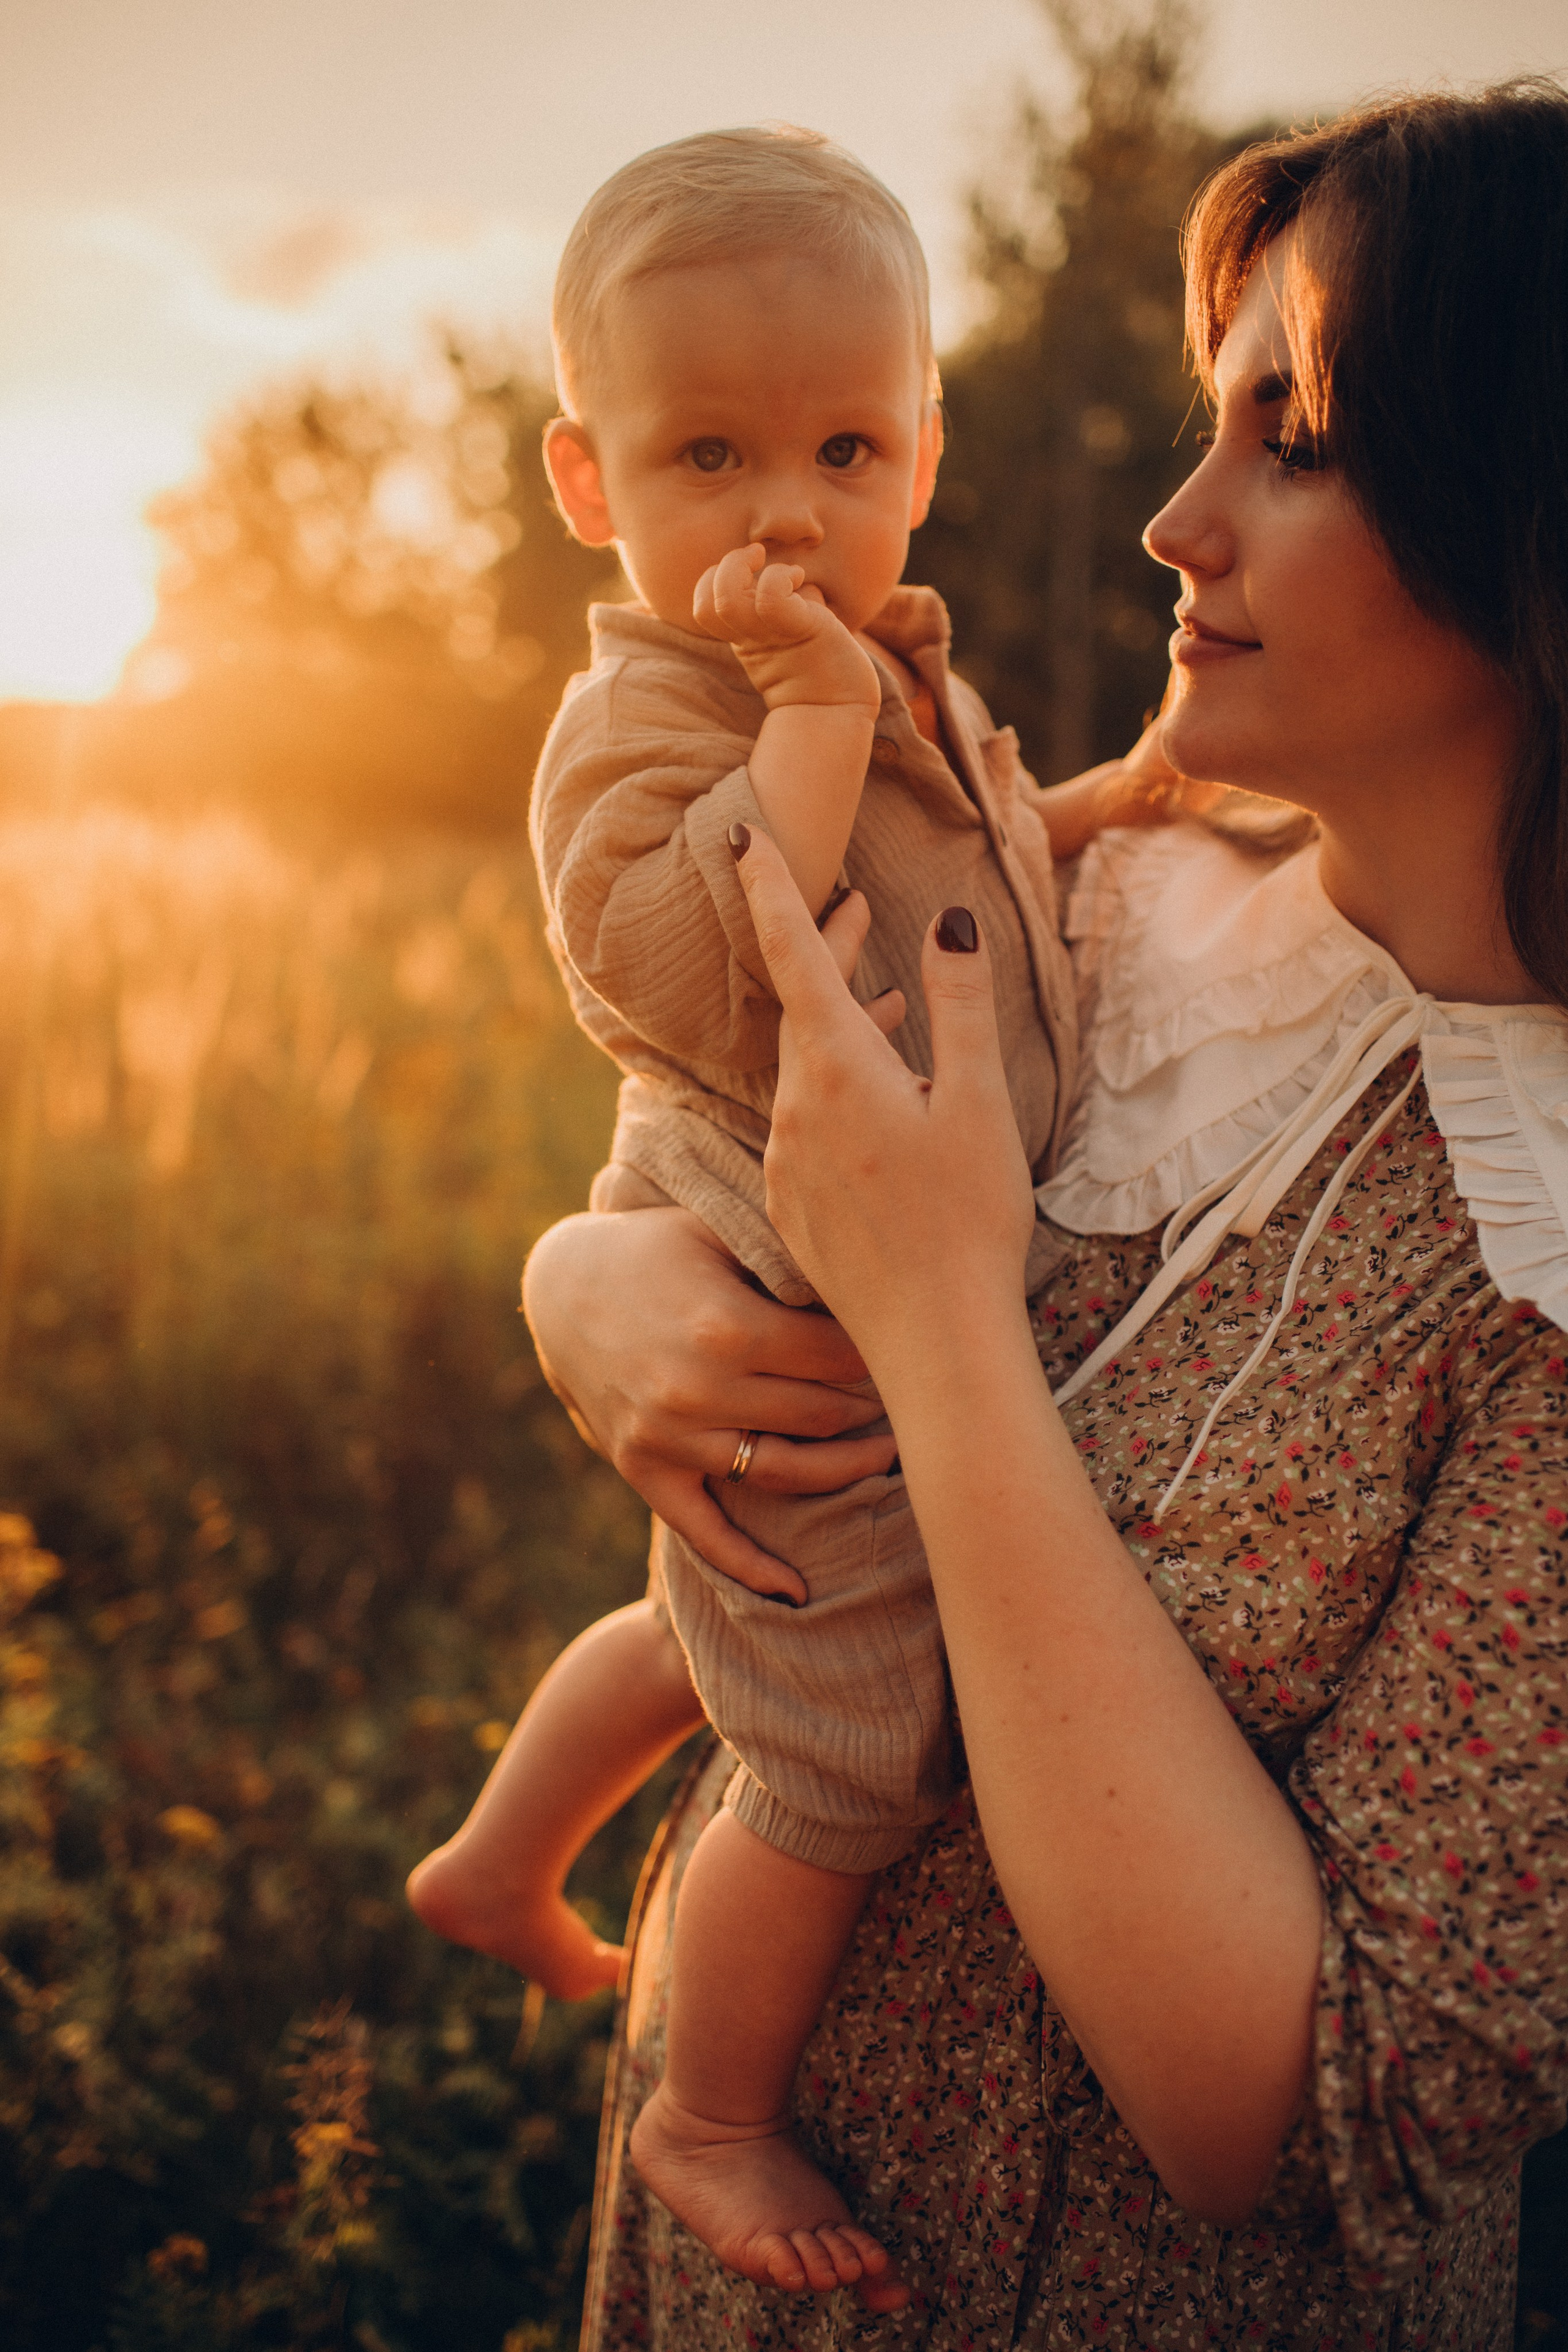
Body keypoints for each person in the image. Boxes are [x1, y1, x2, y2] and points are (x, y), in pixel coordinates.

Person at [523, 82, 1568, 2348]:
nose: (1176, 526)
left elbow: (1274, 2118)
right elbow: (710, 1067)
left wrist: (941, 1328)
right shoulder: (1146, 914)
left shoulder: (1545, 1260)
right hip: (737, 2280)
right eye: (1216, 426)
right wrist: (587, 1284)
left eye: (1298, 440)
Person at [406, 126, 1178, 2302]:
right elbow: (669, 967)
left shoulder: (896, 664)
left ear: (925, 449)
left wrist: (1127, 797)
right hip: (785, 1271)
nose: (781, 512)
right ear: (591, 487)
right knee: (841, 1745)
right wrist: (810, 720)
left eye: (844, 444)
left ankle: (497, 1851)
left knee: (712, 1624)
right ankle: (709, 2110)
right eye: (708, 453)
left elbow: (995, 862)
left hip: (862, 1266)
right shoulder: (644, 712)